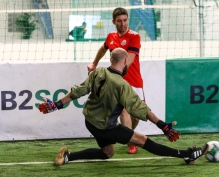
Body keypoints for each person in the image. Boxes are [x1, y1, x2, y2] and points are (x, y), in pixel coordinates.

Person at [38, 48, 208, 166]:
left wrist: (57, 104)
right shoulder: (122, 85)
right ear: (125, 61)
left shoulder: (98, 72)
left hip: (91, 122)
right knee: (142, 140)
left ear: (111, 59)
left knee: (107, 153)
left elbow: (79, 90)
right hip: (106, 127)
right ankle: (187, 155)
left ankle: (67, 156)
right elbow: (140, 108)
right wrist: (161, 125)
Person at [87, 7, 143, 154]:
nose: (122, 23)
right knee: (123, 110)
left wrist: (117, 73)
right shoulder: (111, 36)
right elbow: (103, 48)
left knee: (135, 116)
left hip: (134, 81)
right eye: (119, 21)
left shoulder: (134, 36)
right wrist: (94, 63)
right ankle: (131, 143)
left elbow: (129, 60)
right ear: (113, 22)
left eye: (125, 20)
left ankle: (126, 133)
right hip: (118, 82)